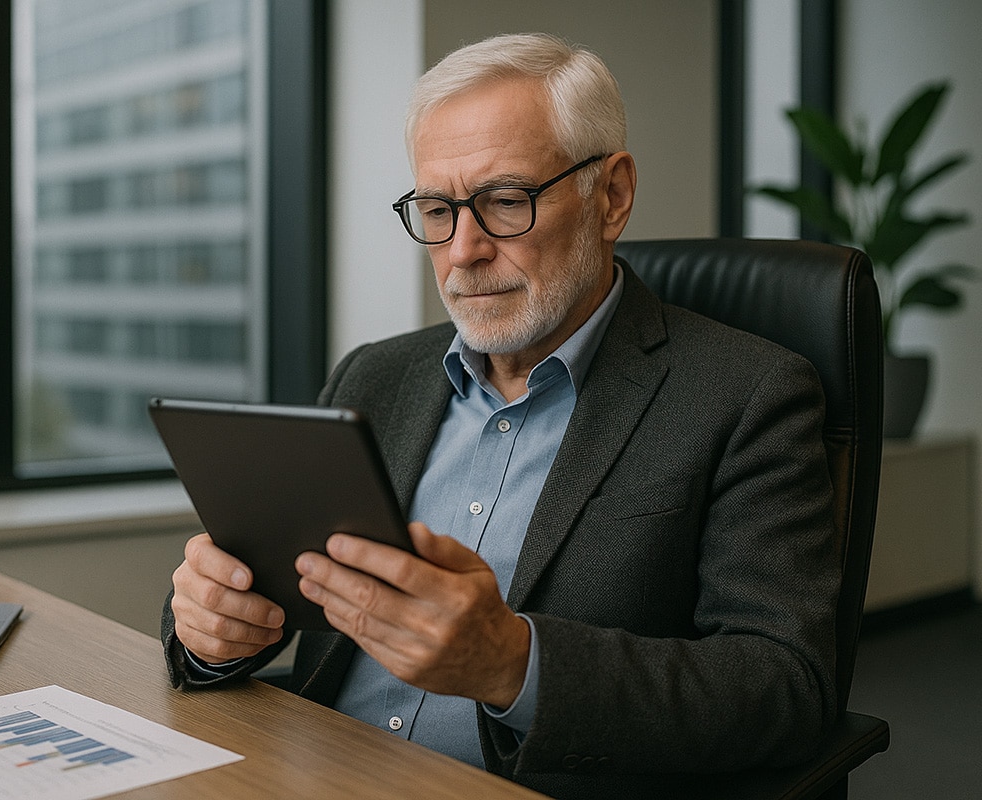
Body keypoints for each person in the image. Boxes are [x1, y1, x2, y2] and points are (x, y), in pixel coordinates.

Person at [161, 32, 839, 799]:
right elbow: (262, 586)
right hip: (306, 769)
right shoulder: (375, 375)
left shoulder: (748, 393)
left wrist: (512, 663)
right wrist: (214, 629)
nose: (463, 251)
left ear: (610, 196)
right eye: (437, 209)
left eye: (506, 201)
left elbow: (787, 688)